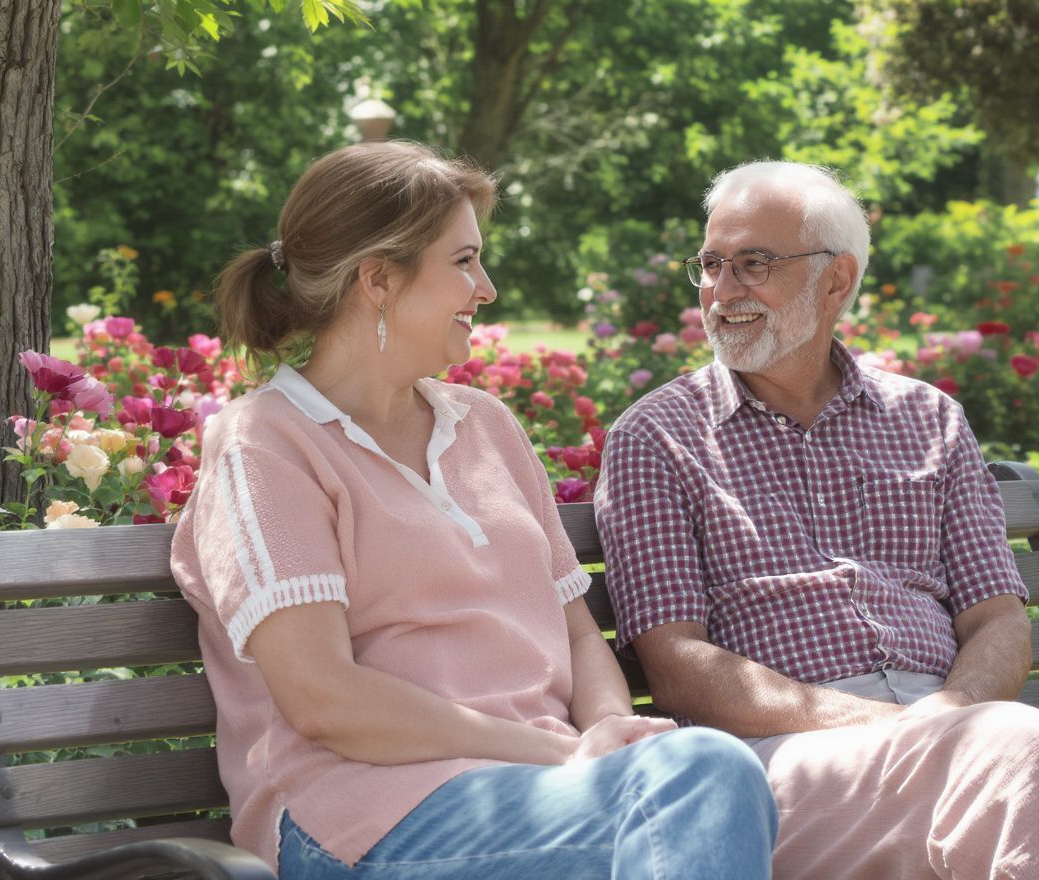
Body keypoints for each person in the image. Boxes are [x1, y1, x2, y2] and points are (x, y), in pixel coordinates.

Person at [170, 141, 778, 880]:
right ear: (378, 280)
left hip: (545, 794)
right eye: (463, 261)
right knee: (706, 775)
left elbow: (577, 633)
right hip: (364, 817)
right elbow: (325, 699)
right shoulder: (266, 443)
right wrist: (565, 752)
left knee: (702, 773)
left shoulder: (485, 425)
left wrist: (611, 728)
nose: (485, 289)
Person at [594, 160, 1039, 879]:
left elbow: (998, 618)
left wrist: (953, 709)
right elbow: (677, 667)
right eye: (710, 264)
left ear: (836, 281)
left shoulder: (929, 419)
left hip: (954, 735)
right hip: (776, 762)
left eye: (753, 264)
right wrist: (904, 728)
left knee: (1006, 749)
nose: (722, 291)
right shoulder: (659, 437)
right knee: (1017, 743)